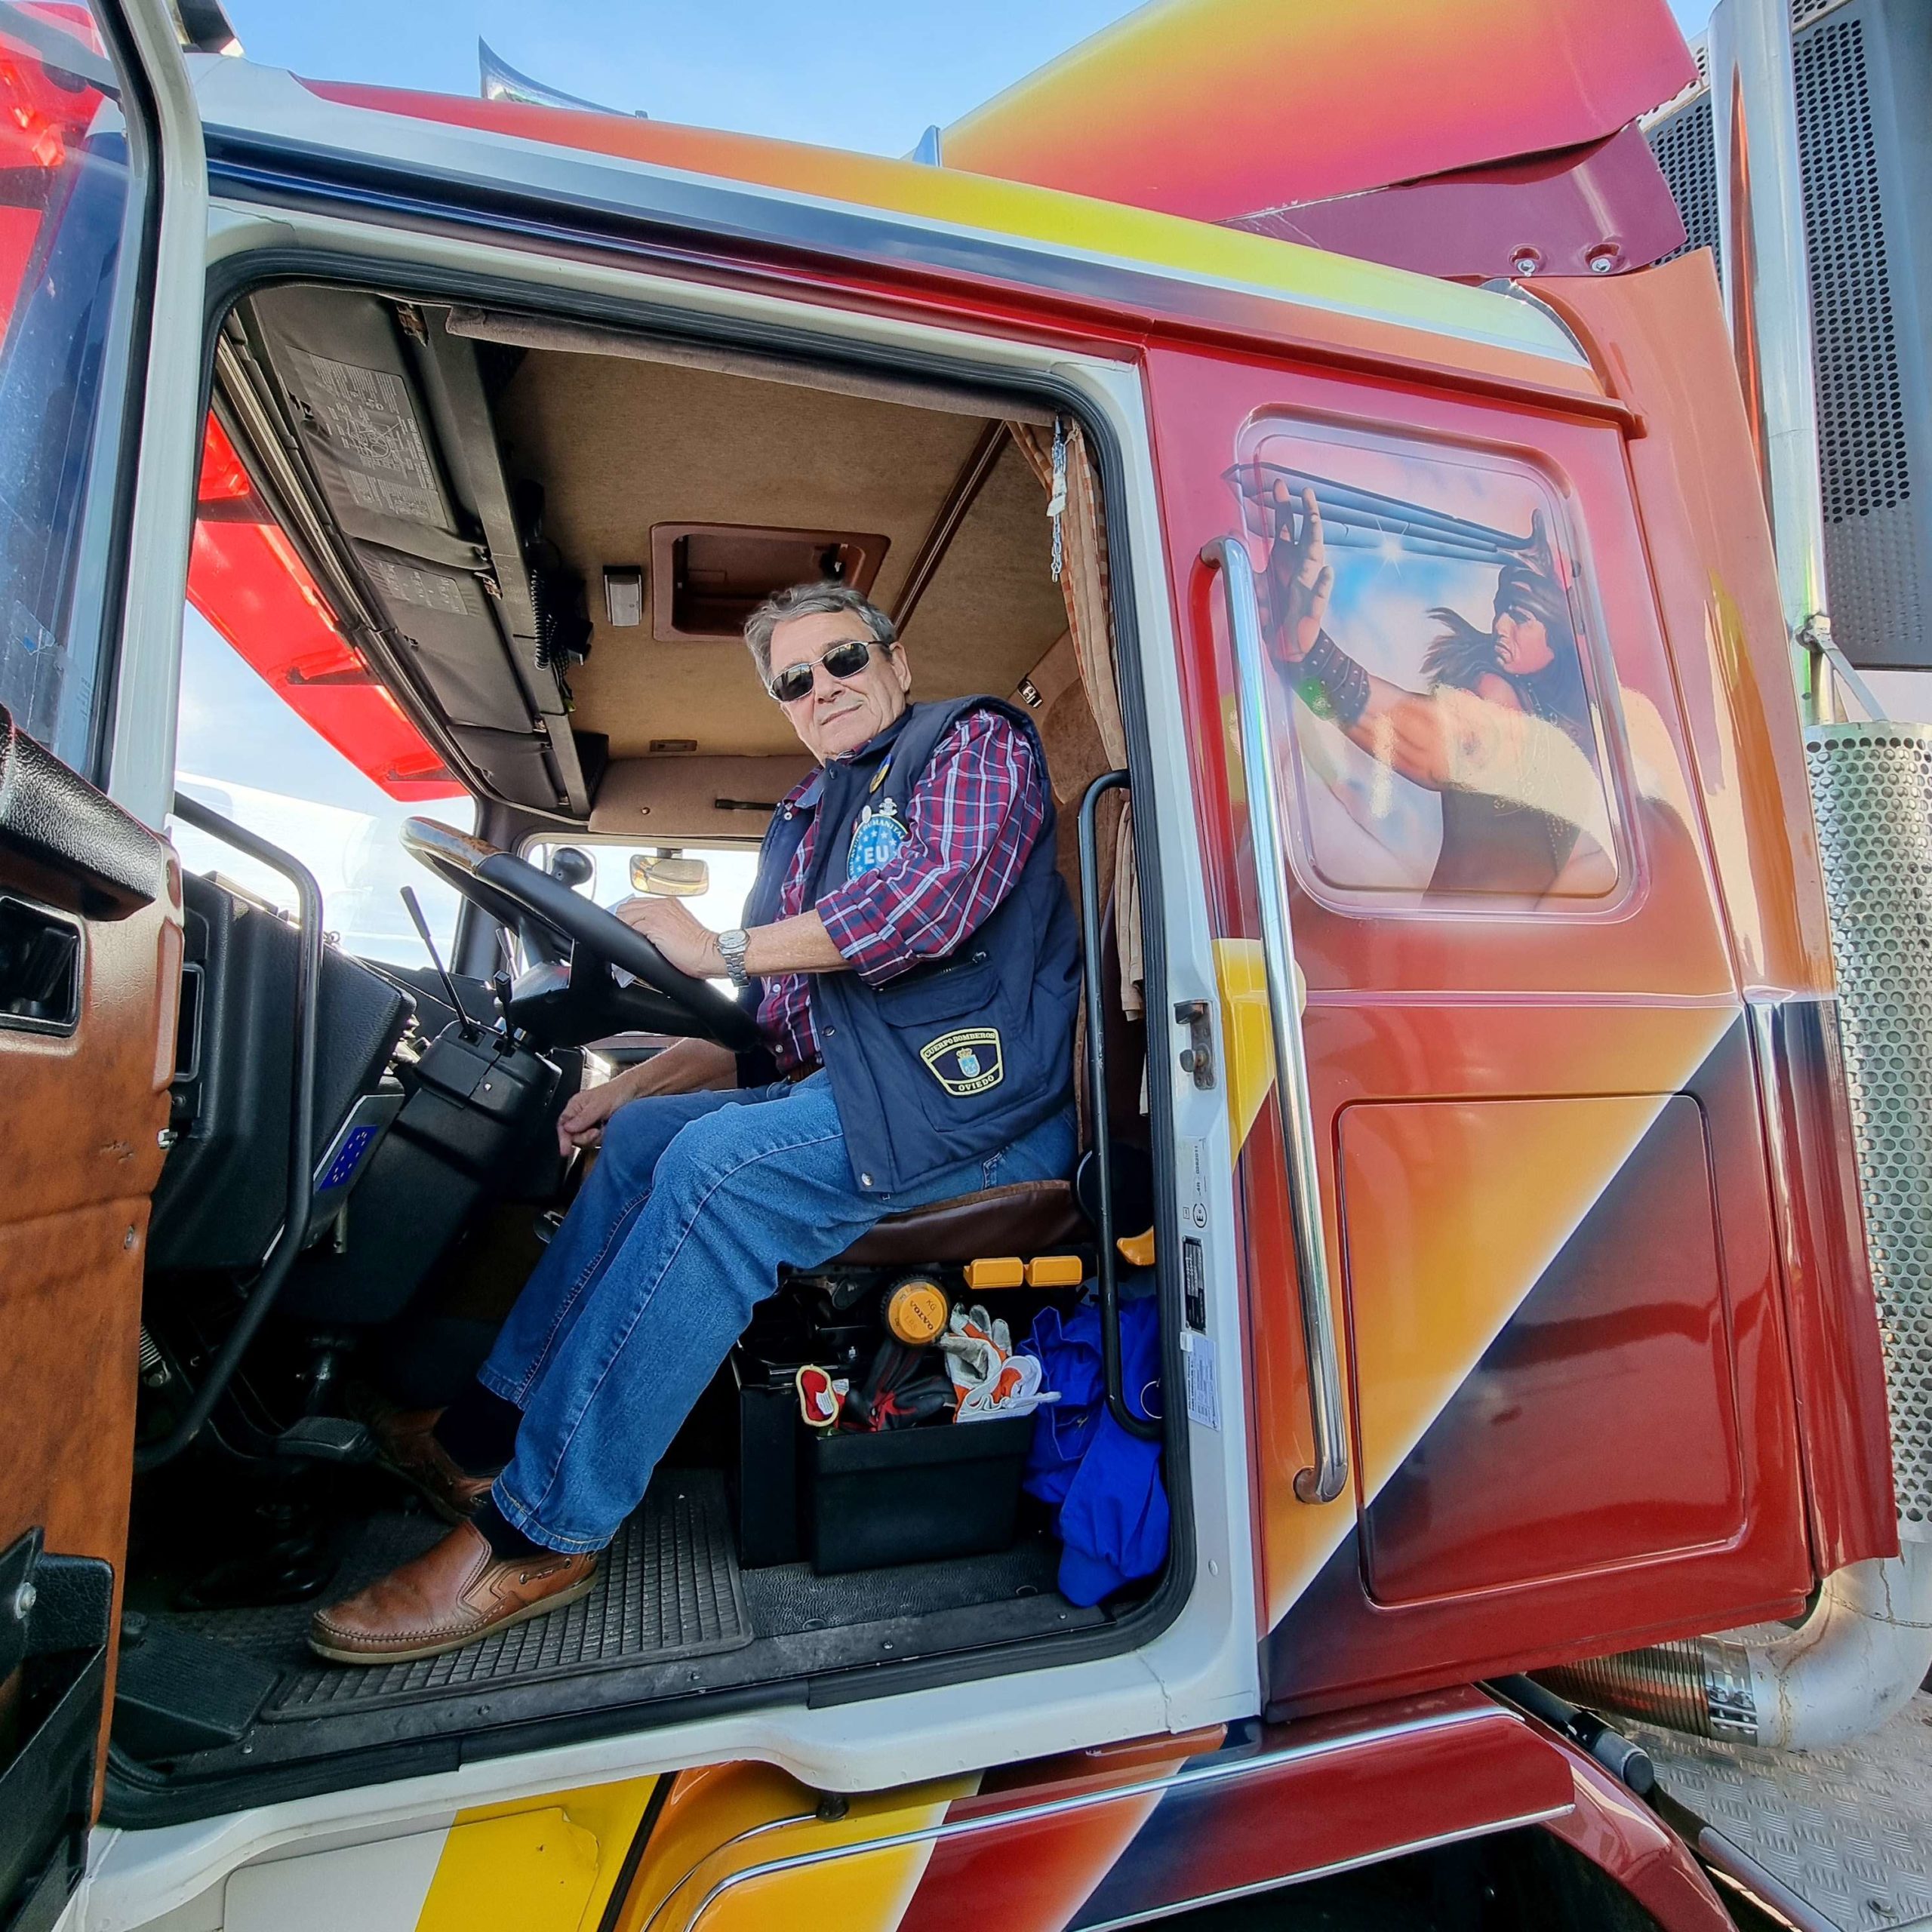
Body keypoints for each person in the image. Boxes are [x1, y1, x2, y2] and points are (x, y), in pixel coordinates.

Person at [310, 582, 1081, 1663]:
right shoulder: (810, 819)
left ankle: (541, 1531)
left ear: (895, 661)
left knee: (722, 1169)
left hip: (975, 1110)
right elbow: (766, 1025)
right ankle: (480, 1439)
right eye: (796, 681)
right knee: (644, 1142)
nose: (826, 690)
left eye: (845, 660)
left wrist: (714, 943)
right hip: (859, 1095)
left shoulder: (972, 747)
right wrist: (631, 1087)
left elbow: (925, 902)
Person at [1260, 478, 1613, 898]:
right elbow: (1351, 716)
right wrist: (1305, 667)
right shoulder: (1568, 735)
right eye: (1502, 610)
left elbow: (1427, 738)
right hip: (1467, 945)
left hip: (1472, 951)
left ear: (1557, 639)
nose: (1500, 624)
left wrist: (1312, 659)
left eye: (1521, 616)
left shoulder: (1505, 702)